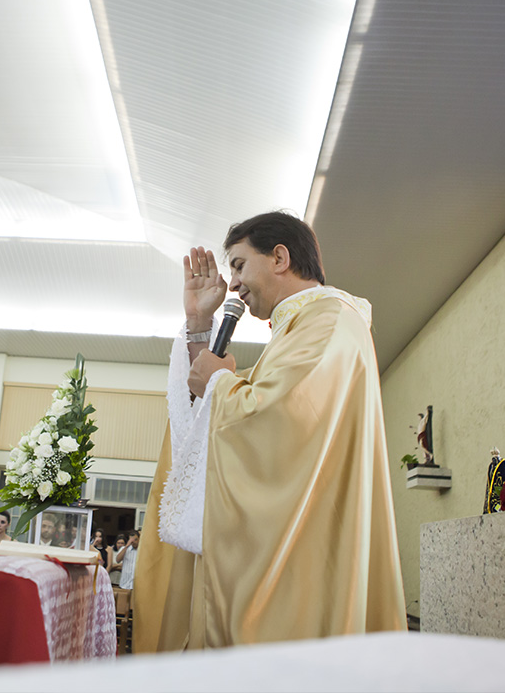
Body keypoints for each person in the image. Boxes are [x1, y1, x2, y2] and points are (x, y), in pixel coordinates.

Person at [138, 212, 405, 651]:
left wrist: (221, 383)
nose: (234, 284)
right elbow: (230, 408)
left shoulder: (330, 320)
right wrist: (201, 328)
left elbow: (276, 423)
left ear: (279, 257)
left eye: (240, 265)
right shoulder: (297, 329)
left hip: (302, 570)